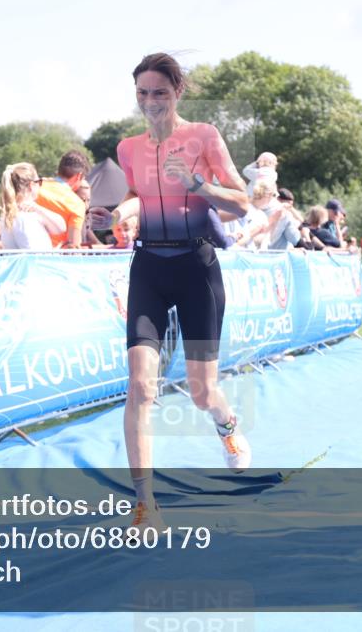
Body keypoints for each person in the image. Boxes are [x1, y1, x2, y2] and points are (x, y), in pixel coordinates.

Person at [87, 52, 251, 533]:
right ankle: (145, 502)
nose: (150, 101)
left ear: (177, 92)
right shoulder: (127, 147)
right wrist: (116, 215)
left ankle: (228, 426)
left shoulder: (203, 136)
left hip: (197, 266)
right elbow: (139, 192)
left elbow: (240, 203)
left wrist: (197, 183)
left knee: (203, 392)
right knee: (140, 385)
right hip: (148, 267)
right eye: (142, 93)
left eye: (160, 92)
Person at [0, 163, 66, 250]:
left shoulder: (12, 213)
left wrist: (38, 209)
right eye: (39, 182)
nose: (40, 186)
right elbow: (34, 253)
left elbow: (61, 228)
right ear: (31, 185)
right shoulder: (24, 217)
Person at [37, 150, 92, 248]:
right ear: (79, 176)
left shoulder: (36, 186)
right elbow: (74, 246)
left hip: (24, 256)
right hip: (54, 259)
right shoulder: (77, 204)